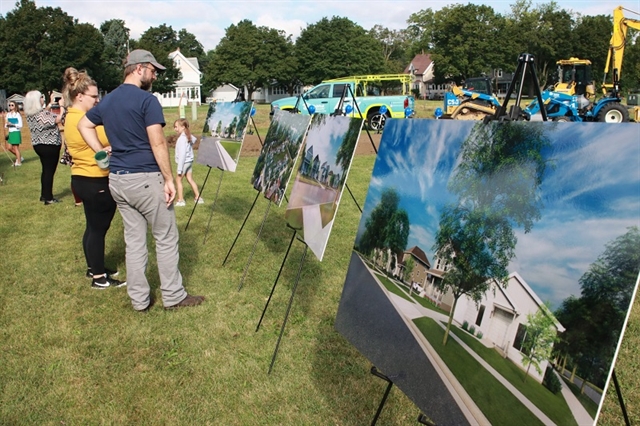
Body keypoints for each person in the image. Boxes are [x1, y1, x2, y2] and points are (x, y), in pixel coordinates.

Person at [78, 49, 204, 311]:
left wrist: (100, 152)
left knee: (134, 241)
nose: (155, 75)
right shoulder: (147, 101)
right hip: (146, 178)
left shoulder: (108, 101)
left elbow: (84, 126)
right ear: (139, 69)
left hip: (118, 180)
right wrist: (169, 179)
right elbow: (157, 141)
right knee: (165, 237)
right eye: (153, 70)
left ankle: (139, 301)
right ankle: (173, 296)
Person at [63, 67, 125, 289]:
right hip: (95, 178)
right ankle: (99, 278)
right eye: (93, 96)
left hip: (83, 177)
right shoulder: (81, 119)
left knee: (92, 227)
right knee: (98, 229)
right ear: (79, 96)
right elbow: (106, 140)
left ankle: (94, 267)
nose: (97, 100)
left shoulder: (72, 117)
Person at [23, 90, 62, 204]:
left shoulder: (31, 114)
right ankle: (48, 198)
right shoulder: (42, 114)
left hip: (38, 144)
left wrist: (50, 104)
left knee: (45, 170)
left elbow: (44, 114)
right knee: (49, 171)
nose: (42, 99)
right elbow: (57, 119)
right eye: (41, 97)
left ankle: (44, 195)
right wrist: (62, 106)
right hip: (49, 145)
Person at [173, 118, 203, 207]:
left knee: (178, 180)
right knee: (190, 179)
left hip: (184, 163)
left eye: (176, 127)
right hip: (189, 162)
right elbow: (194, 139)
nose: (175, 129)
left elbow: (182, 155)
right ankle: (198, 198)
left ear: (183, 127)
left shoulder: (182, 139)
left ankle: (181, 200)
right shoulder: (188, 136)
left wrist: (179, 169)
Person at [4, 101, 23, 166]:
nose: (11, 106)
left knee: (15, 147)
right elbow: (6, 125)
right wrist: (7, 124)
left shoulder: (17, 114)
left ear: (15, 106)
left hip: (16, 131)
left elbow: (20, 124)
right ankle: (19, 157)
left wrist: (13, 124)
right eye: (9, 105)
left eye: (12, 105)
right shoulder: (8, 114)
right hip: (10, 132)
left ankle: (19, 162)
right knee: (9, 147)